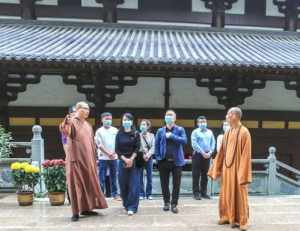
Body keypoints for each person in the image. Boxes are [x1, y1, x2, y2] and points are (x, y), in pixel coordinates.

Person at [59, 101, 108, 222]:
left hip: (88, 160)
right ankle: (75, 212)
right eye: (84, 108)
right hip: (75, 160)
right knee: (76, 185)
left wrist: (94, 158)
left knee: (89, 184)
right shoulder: (72, 121)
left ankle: (87, 208)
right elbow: (65, 131)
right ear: (77, 109)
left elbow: (91, 143)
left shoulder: (88, 125)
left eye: (88, 109)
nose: (87, 111)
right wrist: (67, 121)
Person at [208, 107, 252, 231]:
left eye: (229, 114)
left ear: (235, 116)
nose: (227, 116)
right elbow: (221, 151)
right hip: (227, 170)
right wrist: (216, 167)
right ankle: (226, 216)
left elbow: (246, 155)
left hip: (238, 170)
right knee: (226, 194)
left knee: (240, 195)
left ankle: (242, 221)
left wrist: (243, 173)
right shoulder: (227, 132)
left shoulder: (244, 132)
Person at [155, 110, 187, 214]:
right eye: (167, 115)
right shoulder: (160, 131)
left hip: (177, 161)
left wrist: (172, 136)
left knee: (176, 184)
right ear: (164, 118)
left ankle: (174, 204)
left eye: (171, 115)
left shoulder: (180, 129)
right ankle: (166, 203)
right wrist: (158, 158)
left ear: (175, 118)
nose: (168, 117)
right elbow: (156, 145)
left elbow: (184, 141)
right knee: (164, 183)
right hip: (163, 161)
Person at [115, 113, 141, 216]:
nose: (126, 121)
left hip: (133, 161)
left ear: (132, 121)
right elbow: (117, 149)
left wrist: (131, 159)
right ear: (122, 121)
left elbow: (137, 148)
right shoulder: (119, 134)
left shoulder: (136, 133)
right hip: (122, 161)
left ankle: (132, 207)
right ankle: (126, 204)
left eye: (128, 120)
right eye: (124, 120)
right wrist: (124, 159)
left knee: (133, 185)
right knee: (123, 184)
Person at [94, 112, 119, 200]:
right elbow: (99, 145)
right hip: (103, 157)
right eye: (106, 119)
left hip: (114, 157)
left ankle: (115, 194)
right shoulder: (99, 131)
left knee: (114, 176)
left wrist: (114, 153)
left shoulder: (115, 130)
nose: (108, 121)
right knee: (102, 177)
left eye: (110, 119)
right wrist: (108, 153)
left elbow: (118, 143)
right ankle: (101, 195)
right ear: (102, 120)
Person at [191, 116, 216, 200]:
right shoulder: (195, 132)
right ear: (198, 123)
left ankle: (204, 193)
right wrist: (202, 152)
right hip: (197, 154)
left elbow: (213, 143)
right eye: (201, 122)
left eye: (204, 122)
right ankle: (196, 193)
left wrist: (210, 152)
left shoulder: (210, 132)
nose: (203, 123)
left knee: (205, 175)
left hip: (208, 155)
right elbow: (194, 144)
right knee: (196, 174)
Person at [139, 119, 155, 200]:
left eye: (144, 124)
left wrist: (148, 155)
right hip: (140, 157)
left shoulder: (152, 135)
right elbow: (138, 147)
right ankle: (141, 193)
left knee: (149, 176)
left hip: (149, 157)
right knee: (140, 176)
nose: (142, 126)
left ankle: (149, 194)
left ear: (148, 126)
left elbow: (153, 147)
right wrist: (143, 154)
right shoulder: (137, 135)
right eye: (141, 124)